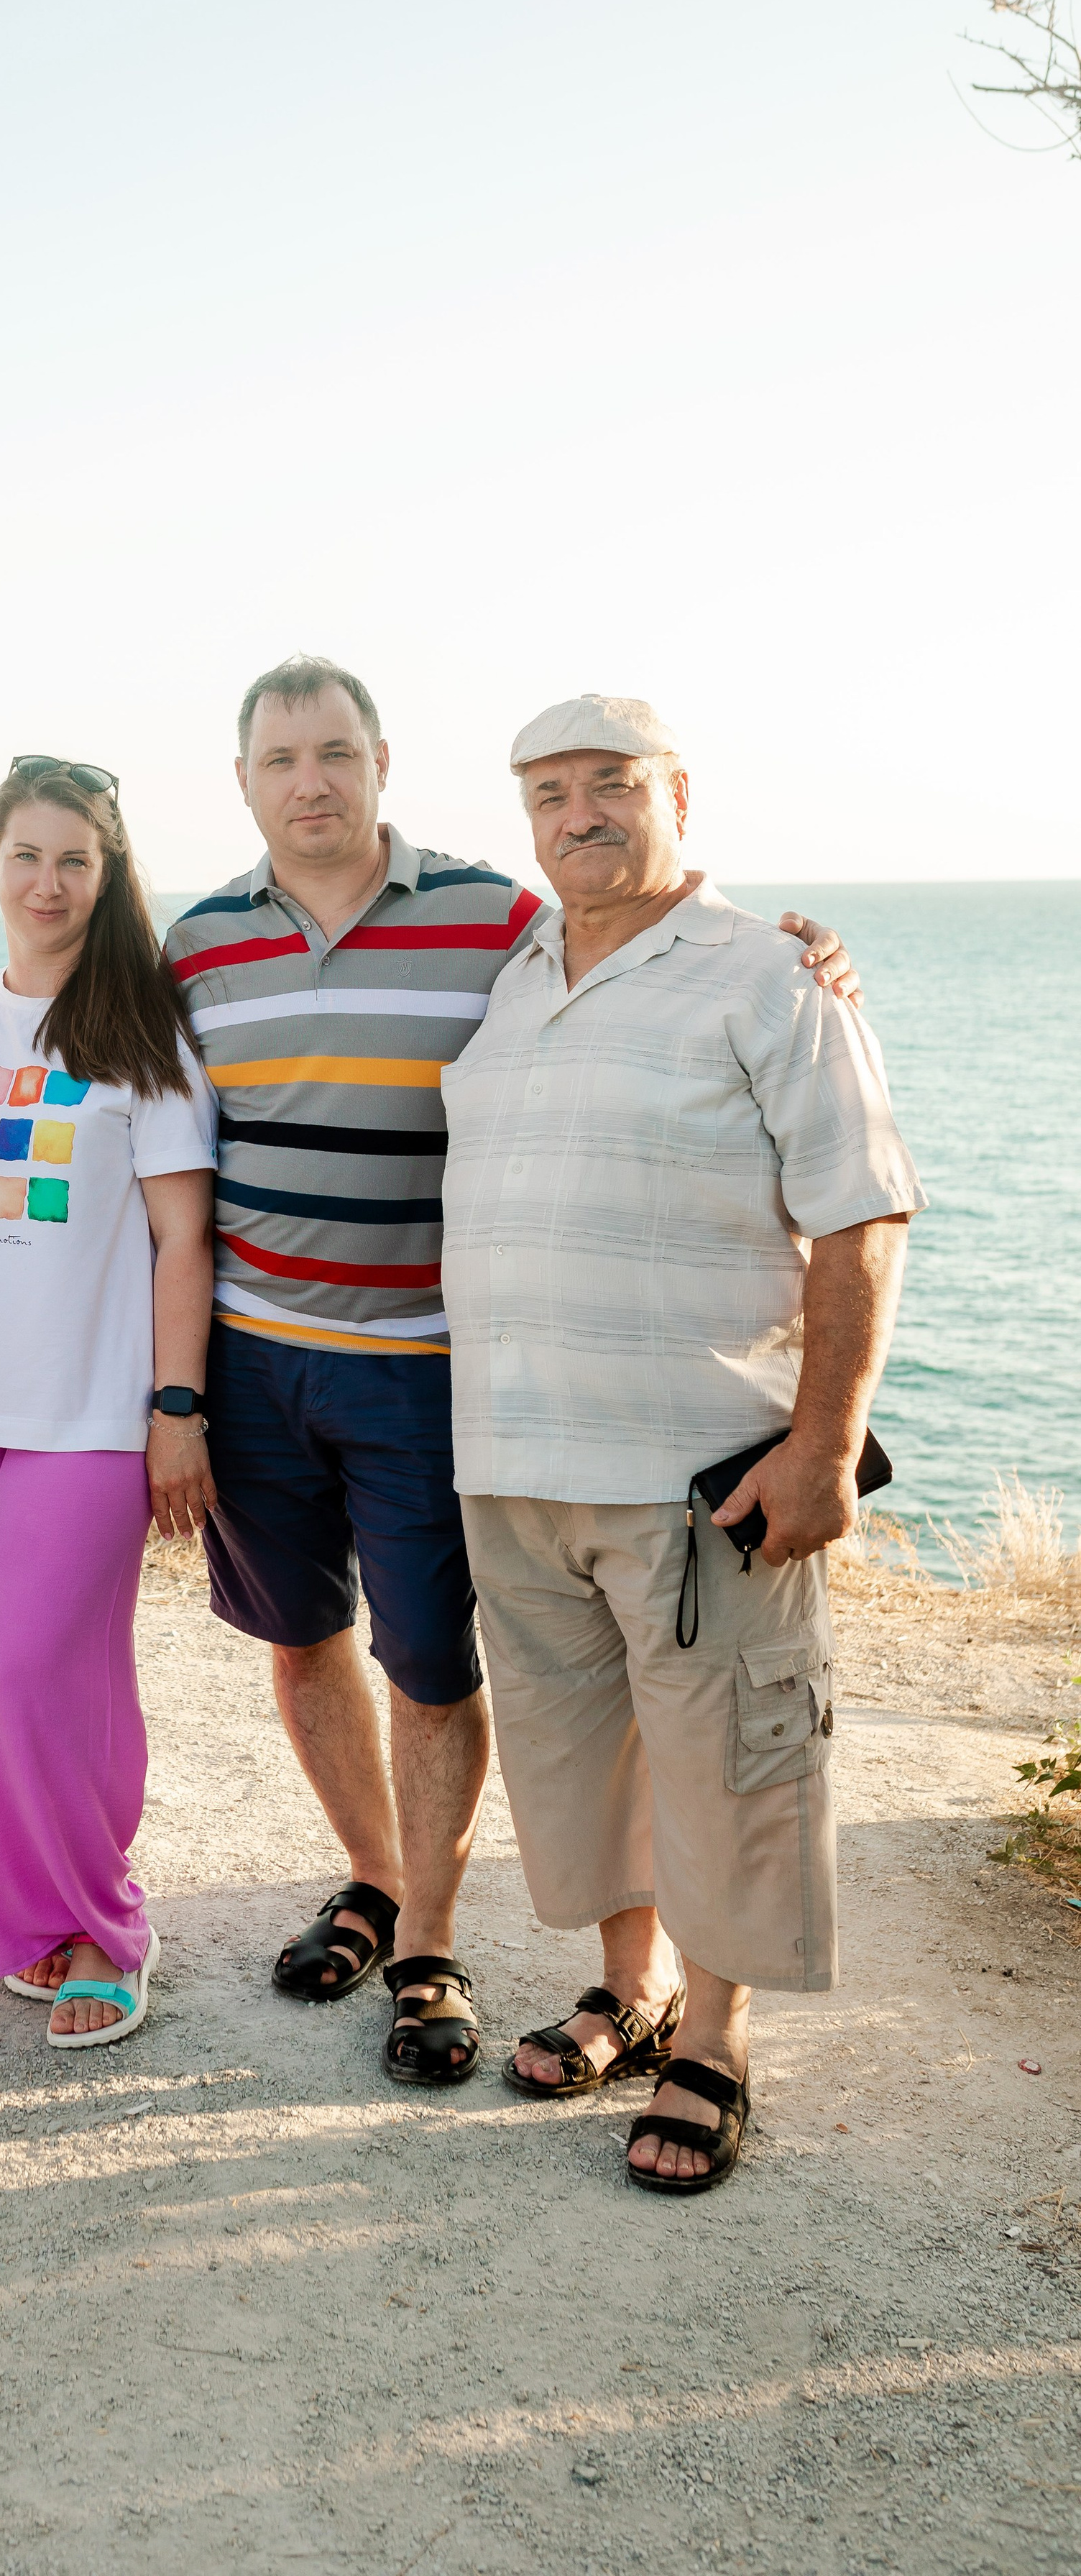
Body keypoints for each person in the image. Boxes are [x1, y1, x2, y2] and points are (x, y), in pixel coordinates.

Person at [164, 656, 865, 2089]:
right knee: (425, 1691)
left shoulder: (533, 926)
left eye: (336, 752)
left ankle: (571, 1988)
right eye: (280, 758)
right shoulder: (233, 947)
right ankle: (493, 1932)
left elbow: (833, 1177)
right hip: (362, 1397)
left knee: (536, 1696)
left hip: (522, 1404)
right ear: (244, 782)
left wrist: (819, 967)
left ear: (376, 764)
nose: (310, 779)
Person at [442, 693, 924, 2191]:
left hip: (695, 1473)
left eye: (609, 784)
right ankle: (630, 1986)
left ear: (676, 794)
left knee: (725, 1759)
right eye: (547, 791)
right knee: (583, 1758)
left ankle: (711, 2039)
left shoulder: (769, 978)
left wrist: (822, 1447)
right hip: (513, 1462)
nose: (576, 813)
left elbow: (861, 1216)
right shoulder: (517, 970)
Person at [0, 756, 218, 2050]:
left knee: (43, 1677)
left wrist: (176, 1410)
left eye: (74, 861)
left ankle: (108, 1927)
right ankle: (23, 1919)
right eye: (27, 856)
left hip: (88, 1419)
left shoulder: (145, 1043)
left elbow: (183, 1245)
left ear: (107, 873)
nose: (48, 883)